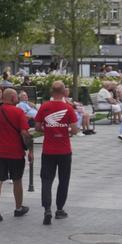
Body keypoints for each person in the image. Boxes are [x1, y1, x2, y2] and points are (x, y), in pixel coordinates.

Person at [35, 81, 78, 225]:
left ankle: (47, 209)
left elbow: (37, 126)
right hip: (64, 150)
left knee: (46, 180)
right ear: (64, 91)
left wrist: (48, 129)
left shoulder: (45, 106)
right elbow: (75, 129)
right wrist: (66, 131)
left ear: (52, 92)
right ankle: (59, 210)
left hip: (48, 150)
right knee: (63, 180)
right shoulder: (68, 108)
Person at [0, 88, 31, 223]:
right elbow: (24, 133)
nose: (17, 98)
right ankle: (18, 208)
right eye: (16, 97)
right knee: (17, 180)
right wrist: (30, 149)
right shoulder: (19, 112)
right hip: (15, 153)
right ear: (12, 98)